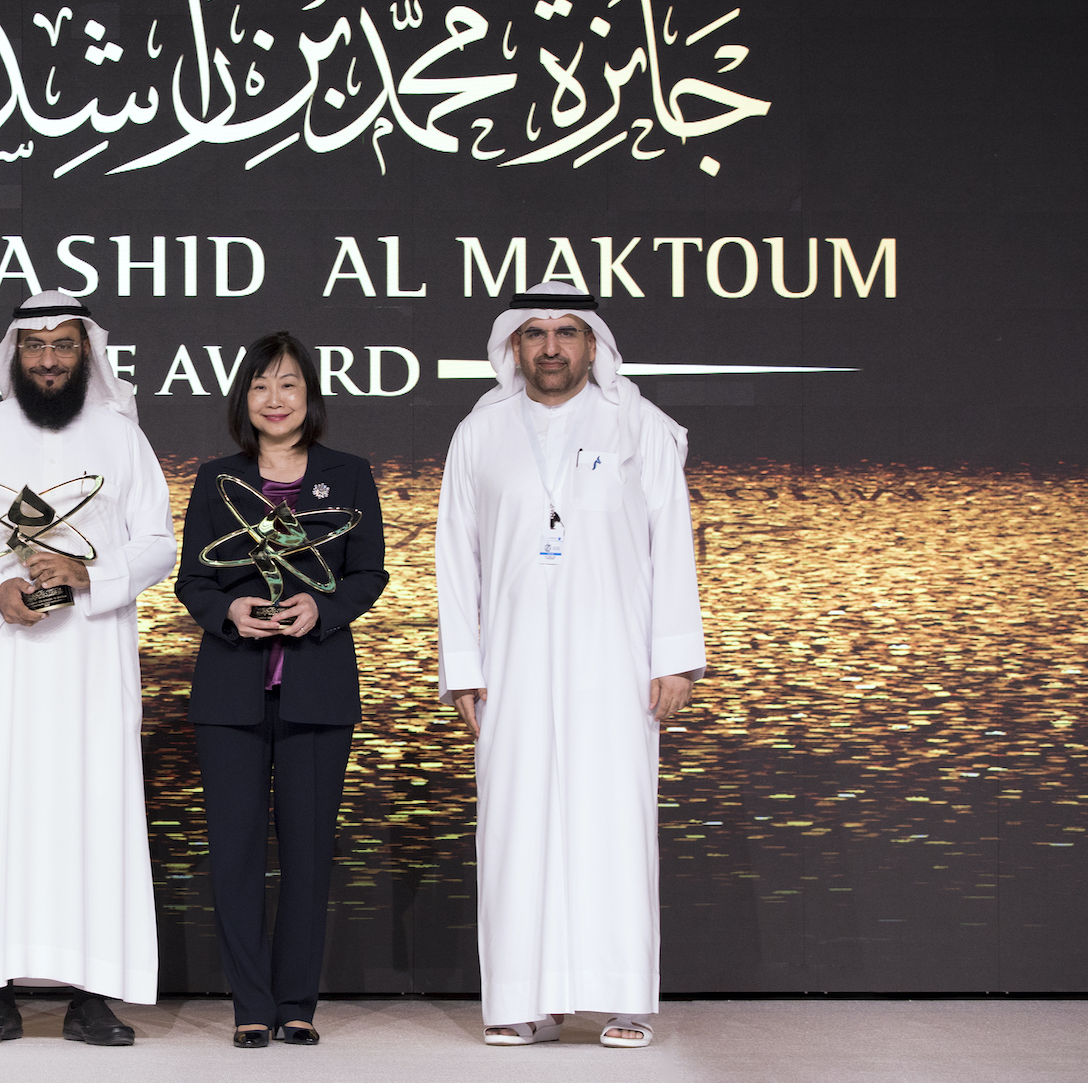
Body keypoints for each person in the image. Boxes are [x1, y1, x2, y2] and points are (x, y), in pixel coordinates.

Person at [434, 284, 705, 1049]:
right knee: (516, 825)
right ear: (513, 345)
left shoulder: (638, 425)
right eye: (535, 332)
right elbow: (455, 555)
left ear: (593, 345)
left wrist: (675, 657)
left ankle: (622, 1000)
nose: (550, 346)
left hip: (615, 662)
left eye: (566, 332)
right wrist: (463, 666)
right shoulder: (479, 433)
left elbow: (672, 541)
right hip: (511, 664)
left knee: (611, 820)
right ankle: (524, 1000)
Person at [0, 291, 177, 1047]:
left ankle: (93, 993)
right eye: (34, 346)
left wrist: (87, 574)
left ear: (85, 353)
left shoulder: (120, 435)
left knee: (92, 814)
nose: (47, 359)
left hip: (90, 665)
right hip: (1, 663)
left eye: (62, 344)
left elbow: (158, 542)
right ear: (14, 354)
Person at [174, 331, 387, 1048]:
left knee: (307, 852)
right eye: (261, 385)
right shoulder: (216, 479)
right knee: (234, 853)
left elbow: (369, 572)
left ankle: (297, 1002)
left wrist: (323, 608)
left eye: (288, 383)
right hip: (230, 692)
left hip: (317, 689)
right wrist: (227, 611)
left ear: (309, 395)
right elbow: (192, 580)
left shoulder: (348, 475)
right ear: (245, 399)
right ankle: (250, 1004)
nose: (274, 399)